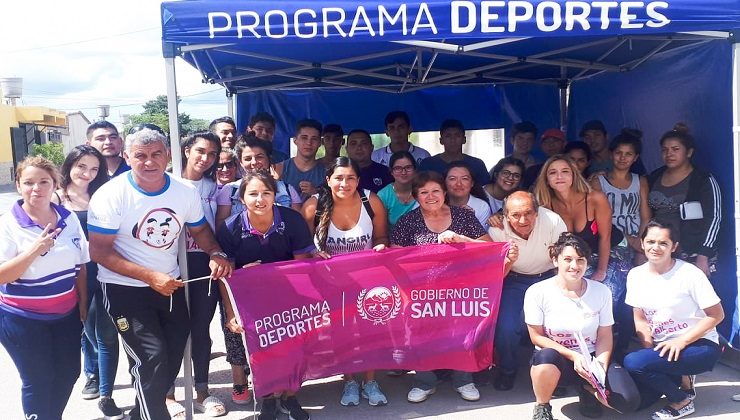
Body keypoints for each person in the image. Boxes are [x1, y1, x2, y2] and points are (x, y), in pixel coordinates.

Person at [88, 128, 233, 420]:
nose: (149, 162)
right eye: (140, 156)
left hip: (169, 286)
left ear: (168, 156)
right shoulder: (110, 195)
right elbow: (100, 252)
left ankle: (139, 414)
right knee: (150, 359)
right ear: (127, 157)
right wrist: (149, 277)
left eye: (156, 154)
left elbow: (201, 229)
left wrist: (215, 252)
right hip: (124, 288)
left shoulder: (184, 191)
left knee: (173, 350)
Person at [217, 169, 315, 420]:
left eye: (266, 193)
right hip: (250, 300)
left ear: (275, 196)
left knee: (292, 348)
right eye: (253, 194)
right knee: (262, 351)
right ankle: (268, 400)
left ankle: (291, 397)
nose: (260, 199)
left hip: (289, 295)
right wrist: (231, 314)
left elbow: (301, 267)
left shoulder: (292, 220)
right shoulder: (229, 229)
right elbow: (226, 277)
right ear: (242, 200)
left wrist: (268, 273)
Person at [390, 170, 492, 403]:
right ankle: (424, 382)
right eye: (424, 192)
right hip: (421, 292)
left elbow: (489, 248)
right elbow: (394, 257)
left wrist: (461, 240)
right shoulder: (408, 221)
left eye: (435, 190)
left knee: (462, 335)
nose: (431, 196)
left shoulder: (463, 217)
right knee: (421, 337)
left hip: (461, 290)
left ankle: (464, 380)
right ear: (416, 197)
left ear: (444, 192)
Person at [0, 156, 89, 420]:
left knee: (68, 372)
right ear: (18, 185)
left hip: (66, 315)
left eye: (43, 182)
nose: (36, 188)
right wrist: (33, 251)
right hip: (22, 319)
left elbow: (81, 264)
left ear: (55, 186)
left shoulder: (68, 217)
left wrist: (83, 304)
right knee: (38, 380)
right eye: (28, 182)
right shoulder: (8, 223)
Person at [301, 157, 390, 407]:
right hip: (330, 282)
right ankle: (349, 380)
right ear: (328, 180)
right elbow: (301, 246)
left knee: (371, 330)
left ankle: (371, 381)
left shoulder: (370, 201)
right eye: (338, 178)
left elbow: (382, 235)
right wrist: (312, 254)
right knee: (343, 332)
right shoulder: (313, 206)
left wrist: (381, 245)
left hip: (368, 279)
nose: (344, 183)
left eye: (350, 178)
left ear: (358, 181)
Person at [524, 233, 639, 420]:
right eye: (567, 259)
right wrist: (574, 356)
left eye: (580, 260)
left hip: (592, 357)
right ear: (555, 260)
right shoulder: (537, 292)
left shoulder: (601, 291)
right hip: (558, 358)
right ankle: (542, 406)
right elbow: (536, 336)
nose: (574, 266)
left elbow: (604, 335)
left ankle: (587, 389)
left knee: (628, 401)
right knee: (545, 358)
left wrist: (599, 368)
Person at [623, 220, 725, 420]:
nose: (656, 248)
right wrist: (648, 349)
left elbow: (717, 315)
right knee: (639, 401)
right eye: (650, 241)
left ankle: (682, 400)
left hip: (699, 345)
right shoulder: (635, 275)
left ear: (674, 247)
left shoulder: (689, 274)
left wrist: (682, 341)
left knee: (634, 362)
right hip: (664, 346)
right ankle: (682, 377)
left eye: (663, 243)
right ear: (642, 243)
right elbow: (640, 317)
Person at [54, 146, 124, 419]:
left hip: (105, 273)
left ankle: (106, 395)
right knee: (85, 331)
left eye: (94, 168)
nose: (87, 173)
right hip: (70, 277)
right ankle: (90, 375)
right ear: (70, 165)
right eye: (82, 166)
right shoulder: (56, 198)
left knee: (106, 335)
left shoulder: (103, 196)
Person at [164, 131, 227, 417]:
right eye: (200, 151)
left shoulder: (214, 188)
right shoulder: (167, 183)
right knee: (171, 330)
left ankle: (202, 390)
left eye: (212, 154)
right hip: (169, 262)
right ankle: (168, 394)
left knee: (201, 328)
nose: (205, 158)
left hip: (203, 262)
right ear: (186, 150)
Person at [488, 191, 568, 390]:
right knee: (506, 328)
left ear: (537, 212)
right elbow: (493, 269)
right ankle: (507, 370)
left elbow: (564, 255)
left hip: (549, 277)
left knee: (556, 326)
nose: (523, 220)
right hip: (515, 280)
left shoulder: (553, 221)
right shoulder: (496, 230)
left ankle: (553, 372)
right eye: (515, 215)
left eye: (528, 213)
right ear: (505, 216)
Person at [589, 129, 652, 358]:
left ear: (635, 158)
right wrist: (630, 239)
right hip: (610, 243)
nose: (623, 158)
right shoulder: (598, 180)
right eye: (618, 153)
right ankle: (603, 347)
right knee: (610, 295)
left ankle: (623, 346)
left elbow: (645, 215)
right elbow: (598, 219)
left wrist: (642, 244)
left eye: (628, 154)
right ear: (611, 154)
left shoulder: (640, 181)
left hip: (636, 245)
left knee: (632, 297)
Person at [647, 123, 722, 278]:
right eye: (665, 150)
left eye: (675, 149)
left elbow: (714, 218)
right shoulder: (654, 177)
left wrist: (703, 255)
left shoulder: (702, 180)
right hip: (660, 250)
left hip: (692, 252)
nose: (669, 154)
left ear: (689, 152)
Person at [533, 155, 615, 288]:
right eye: (553, 173)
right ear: (547, 180)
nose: (559, 176)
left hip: (610, 251)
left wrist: (601, 271)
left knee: (606, 289)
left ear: (573, 176)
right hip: (577, 259)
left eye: (565, 171)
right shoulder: (546, 206)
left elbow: (605, 237)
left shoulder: (595, 198)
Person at [216, 135, 302, 228]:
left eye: (259, 157)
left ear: (268, 159)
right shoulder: (230, 190)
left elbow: (297, 225)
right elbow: (222, 226)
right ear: (240, 163)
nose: (254, 162)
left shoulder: (288, 190)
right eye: (248, 159)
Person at [418, 119, 489, 186]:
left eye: (457, 135)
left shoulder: (477, 164)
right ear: (441, 140)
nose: (453, 140)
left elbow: (485, 192)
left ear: (464, 139)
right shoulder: (428, 164)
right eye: (448, 136)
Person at [276, 119, 326, 201]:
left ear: (320, 143)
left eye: (314, 139)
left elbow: (333, 203)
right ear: (295, 141)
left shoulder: (326, 172)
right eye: (304, 138)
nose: (309, 143)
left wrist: (316, 193)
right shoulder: (279, 169)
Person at [581, 120, 646, 176]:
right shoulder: (585, 163)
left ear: (606, 136)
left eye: (597, 135)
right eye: (587, 137)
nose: (592, 140)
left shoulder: (627, 157)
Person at [445, 161, 492, 229]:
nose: (459, 184)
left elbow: (483, 238)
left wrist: (470, 220)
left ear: (472, 183)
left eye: (464, 179)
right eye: (452, 179)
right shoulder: (437, 204)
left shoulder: (481, 206)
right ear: (444, 182)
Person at [377, 151, 418, 228]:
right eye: (398, 168)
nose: (403, 172)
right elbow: (381, 229)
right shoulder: (383, 195)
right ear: (391, 172)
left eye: (408, 167)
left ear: (415, 170)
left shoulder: (422, 191)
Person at [345, 129, 393, 193]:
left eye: (364, 143)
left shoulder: (386, 173)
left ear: (372, 147)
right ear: (347, 149)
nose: (359, 147)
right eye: (353, 143)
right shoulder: (339, 174)